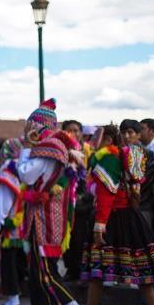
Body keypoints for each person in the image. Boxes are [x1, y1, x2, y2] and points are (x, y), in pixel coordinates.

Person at [16, 99, 100, 305]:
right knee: (37, 274)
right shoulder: (62, 147)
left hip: (44, 221)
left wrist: (23, 151)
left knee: (47, 275)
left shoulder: (48, 148)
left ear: (37, 126)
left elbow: (27, 174)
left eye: (31, 124)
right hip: (46, 219)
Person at [80, 124, 154, 305]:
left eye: (98, 138)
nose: (93, 142)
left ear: (108, 139)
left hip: (113, 219)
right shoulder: (126, 157)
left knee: (97, 272)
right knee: (143, 274)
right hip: (132, 218)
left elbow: (106, 197)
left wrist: (99, 226)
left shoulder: (107, 159)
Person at [0, 138, 27, 305]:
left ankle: (13, 300)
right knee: (17, 261)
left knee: (8, 262)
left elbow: (4, 202)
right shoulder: (24, 168)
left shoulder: (7, 171)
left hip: (9, 225)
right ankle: (15, 298)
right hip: (23, 223)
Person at [61, 119, 94, 281]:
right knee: (66, 235)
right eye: (69, 130)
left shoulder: (87, 150)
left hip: (82, 199)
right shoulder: (60, 150)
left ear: (81, 133)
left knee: (80, 236)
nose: (73, 133)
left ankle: (80, 270)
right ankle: (70, 269)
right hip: (63, 198)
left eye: (76, 130)